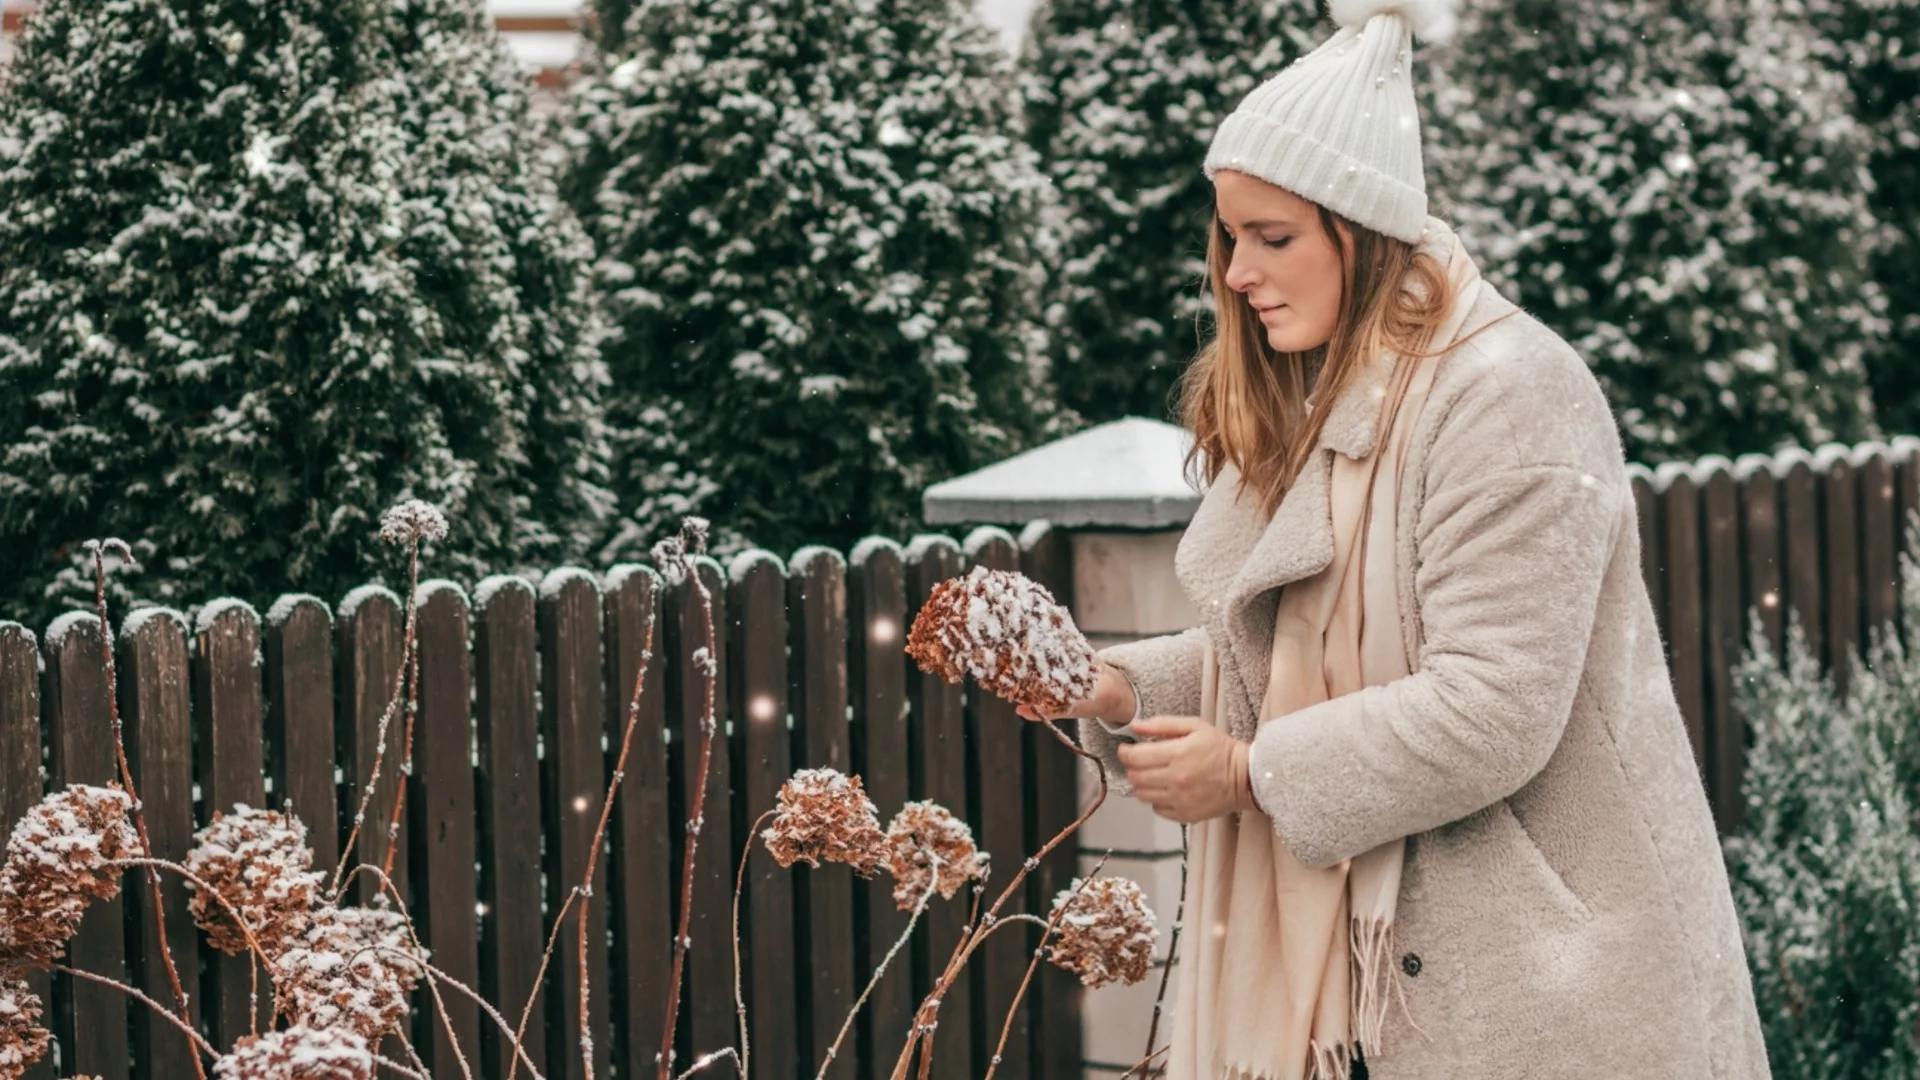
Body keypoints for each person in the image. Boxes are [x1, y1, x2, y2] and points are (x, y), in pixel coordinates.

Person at [1014, 1, 1771, 1077]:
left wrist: (1247, 774)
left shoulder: (1509, 397)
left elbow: (1492, 708)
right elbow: (1287, 660)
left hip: (1545, 988)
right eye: (1230, 236)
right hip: (1388, 992)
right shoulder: (1332, 397)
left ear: (1363, 238)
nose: (1237, 272)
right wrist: (1117, 687)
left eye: (1273, 238)